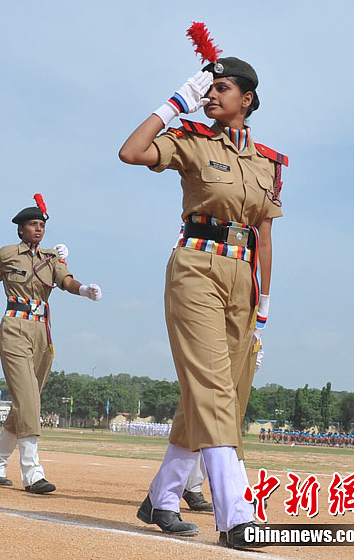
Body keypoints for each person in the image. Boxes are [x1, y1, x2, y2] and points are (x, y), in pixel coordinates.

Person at [119, 51, 285, 548]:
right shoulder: (193, 140)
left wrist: (265, 302)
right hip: (196, 268)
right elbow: (131, 152)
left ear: (246, 99)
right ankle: (236, 514)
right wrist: (175, 103)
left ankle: (162, 498)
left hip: (243, 277)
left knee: (224, 393)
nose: (210, 95)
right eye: (206, 89)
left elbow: (265, 236)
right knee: (214, 388)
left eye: (220, 89)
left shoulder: (268, 163)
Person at [0, 194, 102, 494]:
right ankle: (32, 472)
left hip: (42, 332)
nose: (38, 229)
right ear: (20, 230)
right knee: (28, 400)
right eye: (32, 225)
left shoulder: (51, 259)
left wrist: (85, 290)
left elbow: (66, 281)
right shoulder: (9, 253)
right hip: (15, 327)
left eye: (41, 225)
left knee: (28, 400)